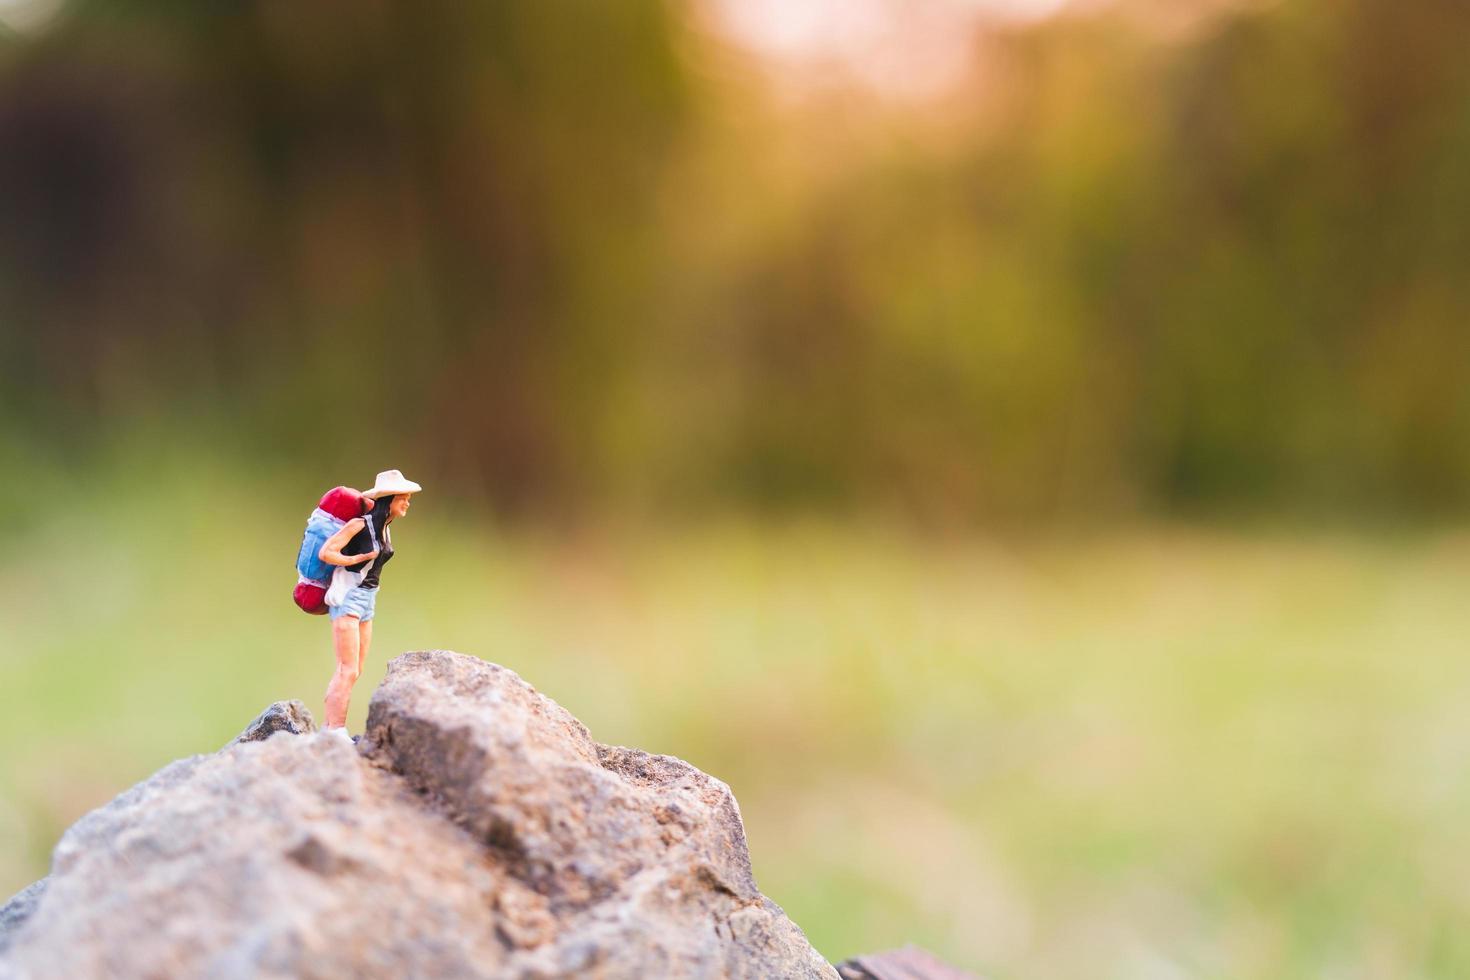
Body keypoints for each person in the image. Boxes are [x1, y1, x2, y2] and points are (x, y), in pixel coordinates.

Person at [317, 469, 421, 736]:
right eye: (403, 498)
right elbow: (327, 552)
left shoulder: (385, 529)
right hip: (349, 598)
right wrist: (355, 559)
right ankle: (334, 730)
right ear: (388, 499)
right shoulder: (359, 525)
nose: (407, 503)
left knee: (357, 669)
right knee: (346, 669)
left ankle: (330, 726)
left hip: (368, 598)